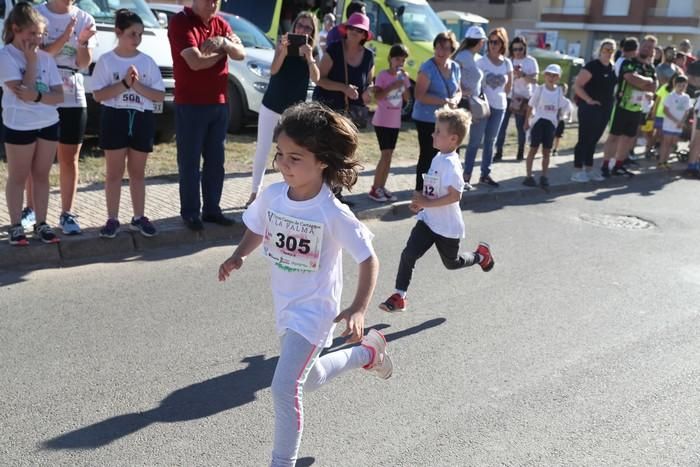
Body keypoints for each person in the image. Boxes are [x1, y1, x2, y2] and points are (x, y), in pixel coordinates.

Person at [218, 102, 391, 467]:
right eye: (281, 155)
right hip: (285, 305)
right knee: (307, 378)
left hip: (315, 311)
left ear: (322, 161)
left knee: (284, 387)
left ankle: (283, 462)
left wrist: (358, 307)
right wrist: (239, 255)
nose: (284, 164)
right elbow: (257, 226)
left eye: (295, 158)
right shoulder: (272, 196)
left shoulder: (332, 212)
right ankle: (367, 354)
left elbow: (367, 258)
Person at [378, 107, 493, 312]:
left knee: (453, 263)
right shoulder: (438, 157)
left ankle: (480, 256)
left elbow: (455, 196)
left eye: (438, 131)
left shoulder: (452, 164)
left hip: (447, 227)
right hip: (428, 221)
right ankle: (399, 296)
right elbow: (433, 189)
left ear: (453, 139)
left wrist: (426, 203)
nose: (433, 134)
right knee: (409, 254)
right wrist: (420, 202)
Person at [168, 0, 245, 231]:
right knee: (190, 162)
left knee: (216, 162)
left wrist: (223, 42)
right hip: (190, 104)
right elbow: (195, 62)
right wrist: (225, 51)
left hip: (219, 103)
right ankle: (191, 213)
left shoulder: (221, 24)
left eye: (216, 0)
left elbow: (240, 53)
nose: (213, 4)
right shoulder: (180, 22)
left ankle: (212, 210)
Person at [91, 9, 165, 239]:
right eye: (132, 33)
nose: (137, 39)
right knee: (114, 173)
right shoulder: (106, 60)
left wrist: (136, 85)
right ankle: (112, 219)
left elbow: (159, 95)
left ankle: (138, 217)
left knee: (137, 173)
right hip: (114, 117)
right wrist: (124, 84)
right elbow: (98, 95)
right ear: (118, 32)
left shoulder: (147, 61)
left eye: (140, 34)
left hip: (141, 117)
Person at [1, 2, 64, 245]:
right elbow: (22, 93)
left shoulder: (47, 58)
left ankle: (41, 223)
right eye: (32, 33)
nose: (37, 39)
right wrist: (30, 61)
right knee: (18, 176)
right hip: (19, 124)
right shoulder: (5, 56)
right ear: (16, 29)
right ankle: (16, 226)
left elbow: (58, 96)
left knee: (42, 175)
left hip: (48, 122)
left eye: (40, 34)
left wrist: (38, 97)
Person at [34, 0, 96, 235]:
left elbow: (83, 62)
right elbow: (40, 53)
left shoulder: (85, 18)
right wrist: (67, 35)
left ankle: (67, 213)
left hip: (73, 94)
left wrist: (81, 41)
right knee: (38, 158)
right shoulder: (37, 13)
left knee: (69, 158)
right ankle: (32, 210)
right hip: (43, 89)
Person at [247, 11, 320, 208]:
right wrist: (283, 51)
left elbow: (316, 78)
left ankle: (292, 191)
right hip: (272, 104)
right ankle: (255, 193)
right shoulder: (284, 44)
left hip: (294, 111)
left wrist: (310, 57)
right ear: (294, 26)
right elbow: (273, 70)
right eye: (300, 25)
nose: (302, 30)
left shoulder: (312, 51)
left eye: (307, 27)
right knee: (262, 149)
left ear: (312, 31)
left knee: (292, 153)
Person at [313, 12, 375, 206]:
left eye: (359, 30)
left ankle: (336, 195)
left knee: (344, 152)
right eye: (351, 28)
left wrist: (369, 93)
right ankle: (319, 193)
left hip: (350, 113)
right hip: (327, 107)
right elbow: (319, 79)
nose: (354, 32)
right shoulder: (334, 49)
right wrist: (343, 88)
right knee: (325, 152)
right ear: (346, 29)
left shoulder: (369, 56)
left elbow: (368, 83)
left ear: (365, 35)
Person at [411, 31, 461, 192]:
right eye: (438, 47)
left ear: (451, 50)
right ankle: (421, 191)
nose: (441, 52)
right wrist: (444, 101)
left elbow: (459, 90)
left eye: (446, 48)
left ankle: (442, 189)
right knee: (428, 156)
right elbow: (419, 95)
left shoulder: (455, 67)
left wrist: (455, 100)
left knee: (447, 156)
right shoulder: (427, 67)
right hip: (426, 119)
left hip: (447, 119)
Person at [601, 36, 657, 178]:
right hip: (621, 105)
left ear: (653, 51)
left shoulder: (650, 68)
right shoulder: (629, 62)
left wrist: (643, 82)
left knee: (629, 139)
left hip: (637, 108)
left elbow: (653, 87)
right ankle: (605, 166)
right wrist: (647, 81)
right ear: (640, 46)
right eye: (645, 45)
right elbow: (630, 78)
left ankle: (618, 166)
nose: (647, 48)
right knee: (614, 137)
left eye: (651, 47)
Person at [463, 27, 512, 188]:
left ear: (502, 43)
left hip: (499, 107)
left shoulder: (507, 63)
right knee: (475, 142)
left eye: (496, 42)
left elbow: (508, 86)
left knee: (491, 142)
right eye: (490, 41)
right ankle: (466, 176)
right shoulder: (480, 61)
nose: (492, 45)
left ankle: (485, 174)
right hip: (482, 107)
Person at [368, 43, 410, 202]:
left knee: (389, 156)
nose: (400, 62)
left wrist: (404, 84)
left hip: (395, 121)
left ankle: (381, 186)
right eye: (397, 59)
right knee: (385, 155)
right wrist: (393, 85)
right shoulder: (383, 75)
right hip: (382, 120)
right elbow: (378, 97)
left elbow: (407, 98)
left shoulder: (403, 76)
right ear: (390, 59)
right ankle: (374, 189)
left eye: (403, 60)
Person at [571, 38, 617, 182]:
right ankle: (577, 170)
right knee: (584, 139)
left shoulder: (612, 68)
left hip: (605, 109)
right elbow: (577, 86)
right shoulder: (592, 66)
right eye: (606, 49)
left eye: (611, 50)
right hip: (589, 108)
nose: (608, 52)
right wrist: (589, 100)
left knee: (594, 140)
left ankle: (589, 169)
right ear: (600, 50)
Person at [522, 64, 570, 188]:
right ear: (545, 75)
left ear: (558, 77)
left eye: (554, 75)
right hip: (539, 122)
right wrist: (527, 121)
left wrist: (560, 119)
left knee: (547, 151)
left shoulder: (559, 91)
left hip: (551, 124)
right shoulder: (540, 89)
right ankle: (528, 176)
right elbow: (531, 105)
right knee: (533, 149)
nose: (551, 77)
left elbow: (563, 106)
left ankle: (544, 176)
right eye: (549, 74)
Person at [495, 35, 538, 162]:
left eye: (520, 49)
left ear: (524, 48)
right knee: (502, 126)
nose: (517, 52)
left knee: (521, 127)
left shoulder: (531, 61)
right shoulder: (507, 60)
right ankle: (499, 152)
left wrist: (523, 75)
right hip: (508, 96)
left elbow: (535, 80)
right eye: (515, 49)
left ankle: (520, 152)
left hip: (523, 97)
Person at [659, 74, 690, 169]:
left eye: (684, 86)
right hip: (669, 124)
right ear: (675, 85)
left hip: (678, 125)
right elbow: (665, 110)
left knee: (673, 143)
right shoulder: (670, 96)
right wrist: (676, 121)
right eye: (679, 85)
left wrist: (682, 122)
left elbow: (686, 111)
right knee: (666, 143)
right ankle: (661, 161)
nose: (681, 88)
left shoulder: (686, 97)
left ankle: (666, 160)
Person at [551, 83, 571, 157]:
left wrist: (563, 115)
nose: (562, 91)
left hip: (560, 120)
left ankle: (555, 149)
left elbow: (567, 112)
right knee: (550, 134)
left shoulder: (566, 101)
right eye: (560, 89)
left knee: (558, 136)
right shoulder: (552, 98)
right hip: (552, 119)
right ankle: (548, 147)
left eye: (564, 90)